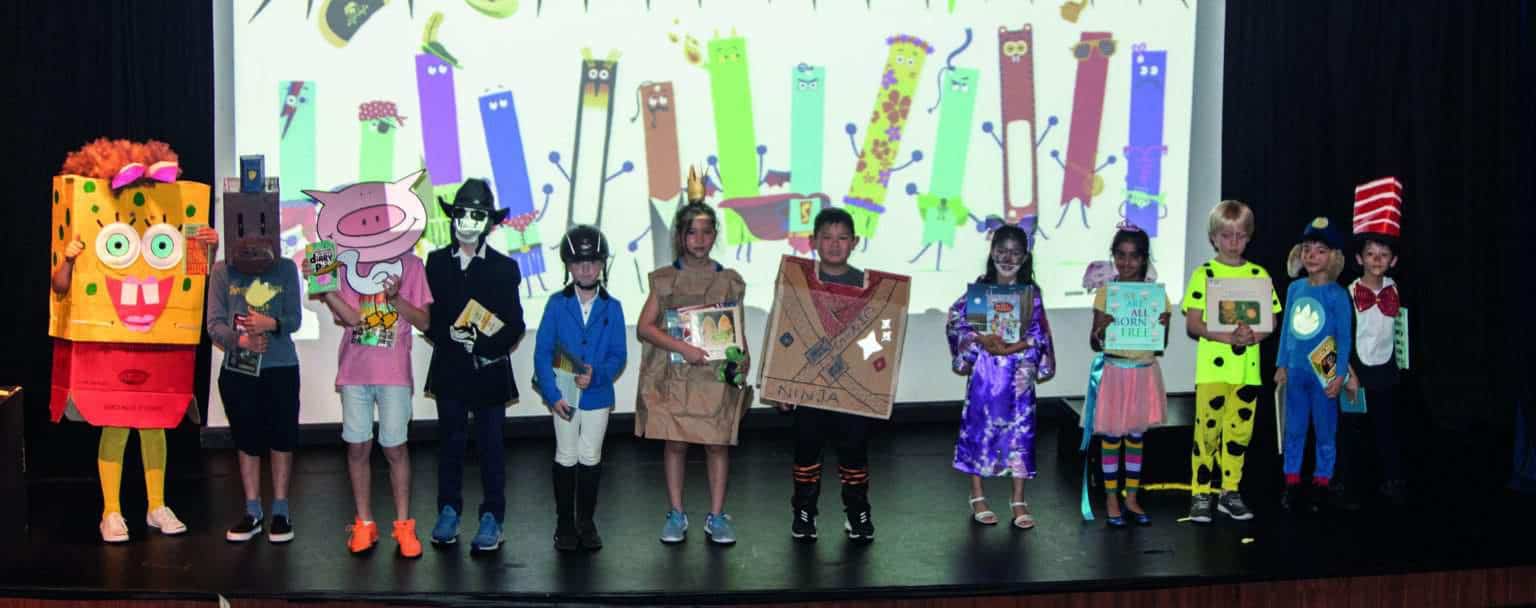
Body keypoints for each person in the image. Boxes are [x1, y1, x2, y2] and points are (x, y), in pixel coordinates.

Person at [306, 177, 433, 558]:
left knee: (395, 448)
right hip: (354, 373)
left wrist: (395, 298)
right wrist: (325, 289)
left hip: (393, 374)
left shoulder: (412, 264)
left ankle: (404, 526)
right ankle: (363, 523)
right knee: (357, 447)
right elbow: (351, 319)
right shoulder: (345, 263)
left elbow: (425, 321)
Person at [634, 169, 751, 545]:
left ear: (715, 235)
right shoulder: (665, 279)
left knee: (717, 443)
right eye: (692, 232)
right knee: (676, 442)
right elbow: (645, 327)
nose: (699, 240)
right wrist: (682, 347)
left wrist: (742, 362)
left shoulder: (729, 279)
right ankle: (676, 512)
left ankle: (716, 515)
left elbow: (737, 329)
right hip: (677, 377)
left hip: (714, 378)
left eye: (706, 232)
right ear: (680, 237)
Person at [423, 179, 526, 552]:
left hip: (489, 371)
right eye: (462, 213)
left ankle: (492, 516)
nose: (467, 221)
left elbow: (514, 325)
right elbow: (429, 319)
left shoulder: (504, 268)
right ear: (452, 217)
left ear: (489, 222)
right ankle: (448, 510)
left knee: (491, 447)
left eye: (477, 215)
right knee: (449, 444)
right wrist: (449, 335)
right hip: (450, 371)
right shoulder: (436, 263)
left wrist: (480, 344)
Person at [206, 189, 303, 544]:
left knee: (281, 438)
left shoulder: (286, 268)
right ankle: (252, 510)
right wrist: (241, 340)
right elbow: (214, 324)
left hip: (280, 367)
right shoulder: (222, 271)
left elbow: (294, 319)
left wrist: (270, 324)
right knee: (246, 440)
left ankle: (280, 510)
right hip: (239, 370)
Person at [945, 224, 1055, 530]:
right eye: (1002, 251)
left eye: (1015, 252)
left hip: (1018, 372)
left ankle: (1018, 499)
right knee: (978, 429)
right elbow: (957, 321)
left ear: (1025, 257)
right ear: (992, 252)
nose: (1008, 258)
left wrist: (1014, 347)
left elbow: (1039, 335)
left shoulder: (1031, 294)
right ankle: (977, 494)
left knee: (1021, 433)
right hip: (986, 371)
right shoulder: (980, 291)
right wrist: (981, 340)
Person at [780, 208, 877, 543]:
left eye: (842, 238)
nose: (835, 244)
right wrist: (782, 386)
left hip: (853, 388)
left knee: (855, 453)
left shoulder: (870, 287)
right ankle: (804, 513)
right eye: (827, 237)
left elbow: (880, 339)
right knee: (806, 452)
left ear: (855, 242)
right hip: (810, 388)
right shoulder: (799, 282)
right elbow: (785, 335)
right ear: (813, 241)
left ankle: (858, 512)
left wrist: (878, 385)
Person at [1181, 200, 1281, 523]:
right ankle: (1200, 493)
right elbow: (1193, 323)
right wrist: (1228, 338)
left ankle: (1230, 491)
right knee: (1207, 434)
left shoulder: (1258, 275)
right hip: (1212, 371)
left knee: (1239, 435)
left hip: (1247, 373)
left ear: (1249, 237)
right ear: (1214, 238)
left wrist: (1253, 336)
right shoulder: (1204, 274)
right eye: (1226, 235)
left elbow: (1271, 320)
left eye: (1240, 235)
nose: (1233, 242)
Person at [533, 224, 627, 552]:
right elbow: (542, 351)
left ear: (602, 264)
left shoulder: (613, 307)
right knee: (566, 454)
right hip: (563, 395)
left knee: (590, 456)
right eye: (578, 263)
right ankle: (564, 522)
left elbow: (619, 355)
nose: (586, 269)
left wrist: (597, 375)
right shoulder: (556, 305)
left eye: (593, 262)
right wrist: (551, 393)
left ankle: (586, 521)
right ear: (568, 266)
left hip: (598, 396)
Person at [1087, 225, 1171, 527]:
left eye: (1134, 256)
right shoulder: (1107, 293)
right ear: (1113, 256)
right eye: (1120, 255)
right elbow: (1094, 341)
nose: (1126, 262)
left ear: (1144, 259)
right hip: (1114, 373)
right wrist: (1102, 328)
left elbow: (1161, 343)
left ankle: (1131, 497)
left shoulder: (1156, 296)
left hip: (1143, 374)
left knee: (1136, 437)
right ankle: (1111, 498)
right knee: (1111, 437)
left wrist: (1161, 325)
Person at [1275, 217, 1352, 512]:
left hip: (1324, 373)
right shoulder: (1295, 288)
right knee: (1294, 429)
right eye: (1307, 249)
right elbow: (1287, 329)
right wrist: (1281, 364)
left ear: (1333, 257)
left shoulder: (1338, 294)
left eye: (1320, 250)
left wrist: (1340, 374)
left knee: (1325, 430)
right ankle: (1292, 482)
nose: (1312, 255)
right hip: (1295, 372)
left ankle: (1322, 482)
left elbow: (1344, 338)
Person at [1339, 205, 1409, 507]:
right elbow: (1338, 337)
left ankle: (1392, 480)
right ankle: (1347, 485)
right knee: (1351, 430)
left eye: (1383, 255)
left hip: (1386, 369)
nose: (1377, 260)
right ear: (1359, 259)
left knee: (1387, 429)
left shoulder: (1396, 289)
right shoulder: (1347, 293)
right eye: (1370, 254)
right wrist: (1347, 373)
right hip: (1356, 369)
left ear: (1393, 261)